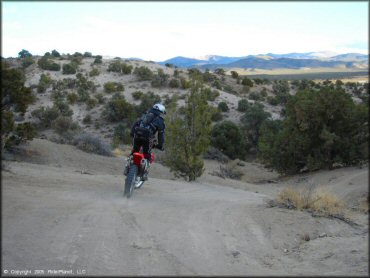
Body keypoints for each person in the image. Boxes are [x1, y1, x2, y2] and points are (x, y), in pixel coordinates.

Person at [126, 103, 166, 180]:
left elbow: (135, 125)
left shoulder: (144, 116)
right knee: (147, 154)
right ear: (161, 112)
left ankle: (128, 166)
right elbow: (161, 136)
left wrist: (132, 134)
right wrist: (160, 145)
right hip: (148, 139)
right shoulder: (161, 121)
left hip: (137, 136)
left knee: (134, 151)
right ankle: (144, 174)